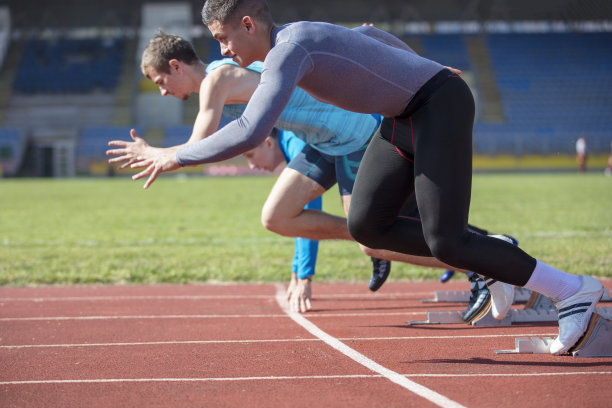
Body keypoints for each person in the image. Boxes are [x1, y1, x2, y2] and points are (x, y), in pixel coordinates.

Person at [184, 0, 604, 355]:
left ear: (248, 24)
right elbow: (371, 34)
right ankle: (490, 256)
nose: (221, 50)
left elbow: (252, 131)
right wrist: (423, 64)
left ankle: (572, 290)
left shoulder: (287, 48)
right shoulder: (300, 36)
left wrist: (172, 156)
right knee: (366, 225)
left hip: (438, 107)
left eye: (223, 38)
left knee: (448, 240)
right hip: (400, 119)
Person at [109, 32, 509, 313]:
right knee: (277, 217)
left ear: (176, 65)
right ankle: (388, 235)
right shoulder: (223, 80)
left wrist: (159, 153)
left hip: (354, 136)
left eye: (162, 81)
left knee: (373, 240)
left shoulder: (218, 78)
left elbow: (201, 142)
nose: (163, 91)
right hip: (321, 144)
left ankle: (486, 259)